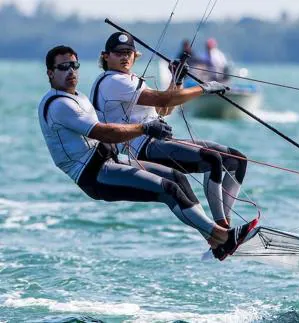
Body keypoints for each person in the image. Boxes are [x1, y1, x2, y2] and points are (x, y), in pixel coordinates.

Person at [39, 45, 257, 260]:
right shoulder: (59, 105)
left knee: (176, 177)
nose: (70, 71)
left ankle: (218, 239)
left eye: (74, 65)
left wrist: (176, 81)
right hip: (93, 173)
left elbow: (162, 107)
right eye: (63, 67)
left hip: (112, 160)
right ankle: (222, 236)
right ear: (50, 73)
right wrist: (144, 128)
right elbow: (104, 133)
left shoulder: (79, 97)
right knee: (169, 189)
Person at [91, 32, 248, 230]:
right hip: (142, 148)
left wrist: (177, 79)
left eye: (129, 52)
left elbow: (164, 110)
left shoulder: (129, 79)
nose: (125, 57)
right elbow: (164, 100)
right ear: (106, 56)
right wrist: (204, 88)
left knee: (237, 160)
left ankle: (226, 225)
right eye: (119, 53)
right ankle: (222, 229)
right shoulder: (112, 81)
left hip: (159, 143)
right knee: (213, 160)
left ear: (135, 55)